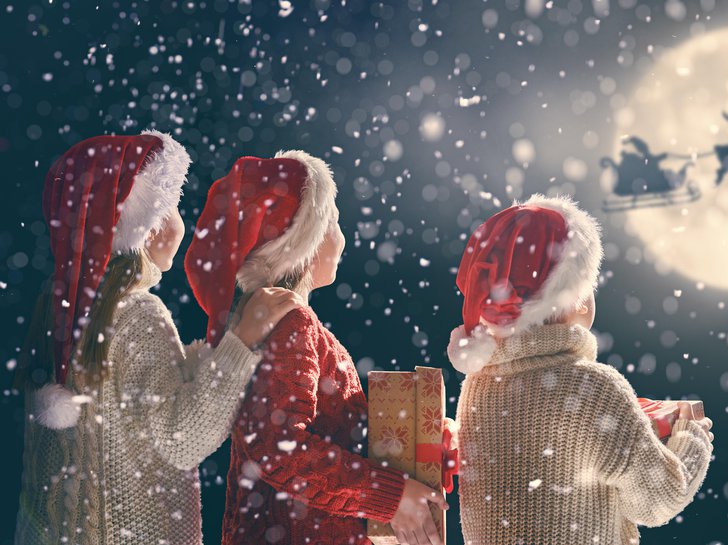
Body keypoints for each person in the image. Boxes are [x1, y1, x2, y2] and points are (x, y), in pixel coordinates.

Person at [15, 131, 302, 545]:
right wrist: (241, 341)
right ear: (146, 229)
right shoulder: (137, 314)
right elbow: (182, 437)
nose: (182, 222)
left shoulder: (64, 310)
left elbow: (128, 404)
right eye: (173, 207)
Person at [184, 150, 446, 545]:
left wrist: (430, 437)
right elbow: (279, 446)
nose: (342, 236)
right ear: (304, 242)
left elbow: (328, 433)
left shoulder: (283, 323)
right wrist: (388, 497)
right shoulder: (293, 322)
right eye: (334, 221)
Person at [448, 194, 714, 545]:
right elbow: (657, 500)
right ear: (569, 296)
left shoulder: (478, 387)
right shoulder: (594, 389)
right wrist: (692, 439)